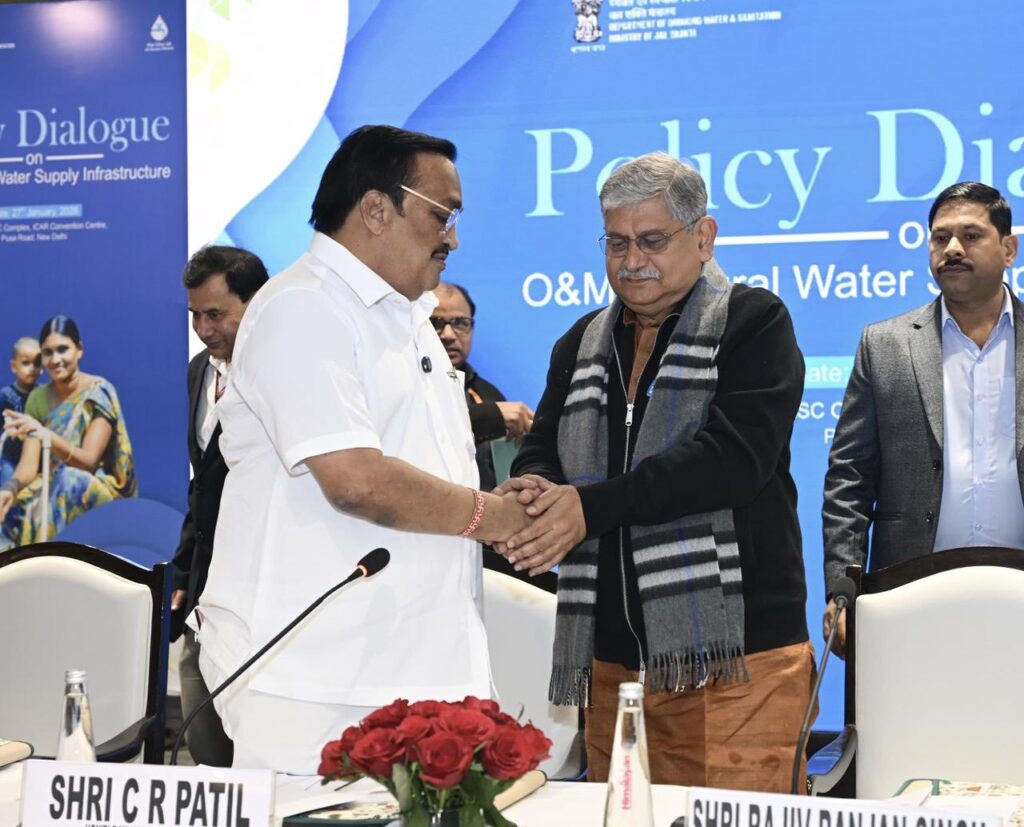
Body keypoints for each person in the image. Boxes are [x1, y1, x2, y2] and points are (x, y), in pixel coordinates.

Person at [192, 124, 532, 774]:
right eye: (442, 214)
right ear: (377, 209)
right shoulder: (302, 307)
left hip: (415, 668)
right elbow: (356, 481)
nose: (453, 237)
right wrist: (495, 517)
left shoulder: (407, 316)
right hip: (314, 682)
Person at [504, 152, 813, 791]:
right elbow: (541, 447)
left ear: (704, 237)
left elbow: (731, 462)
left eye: (651, 240)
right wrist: (537, 491)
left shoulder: (754, 322)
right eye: (616, 243)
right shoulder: (581, 341)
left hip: (735, 658)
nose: (631, 260)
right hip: (611, 662)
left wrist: (589, 508)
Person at [822, 181, 1022, 656]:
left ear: (1009, 249)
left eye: (970, 236)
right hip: (909, 595)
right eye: (940, 237)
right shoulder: (885, 345)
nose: (952, 249)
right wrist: (842, 588)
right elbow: (849, 480)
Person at [170, 245, 269, 766]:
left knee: (259, 754)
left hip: (265, 587)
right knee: (204, 742)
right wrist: (184, 569)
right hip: (206, 588)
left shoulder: (284, 371)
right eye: (195, 315)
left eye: (215, 314)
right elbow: (202, 488)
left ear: (257, 303)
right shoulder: (197, 371)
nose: (204, 329)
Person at [0, 316, 136, 549]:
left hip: (91, 488)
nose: (55, 359)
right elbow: (29, 464)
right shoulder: (37, 398)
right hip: (49, 486)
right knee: (12, 503)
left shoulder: (98, 392)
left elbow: (88, 461)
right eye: (47, 353)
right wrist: (9, 488)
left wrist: (46, 435)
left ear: (79, 349)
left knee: (69, 480)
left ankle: (61, 562)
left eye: (63, 349)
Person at [431, 281, 535, 491]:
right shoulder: (405, 382)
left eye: (460, 323)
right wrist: (490, 417)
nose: (448, 334)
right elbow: (422, 432)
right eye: (435, 323)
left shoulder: (487, 392)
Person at [0, 337, 41, 485]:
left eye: (37, 363)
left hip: (36, 459)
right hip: (10, 458)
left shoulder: (44, 395)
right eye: (26, 363)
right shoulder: (5, 396)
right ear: (13, 366)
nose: (32, 368)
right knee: (7, 484)